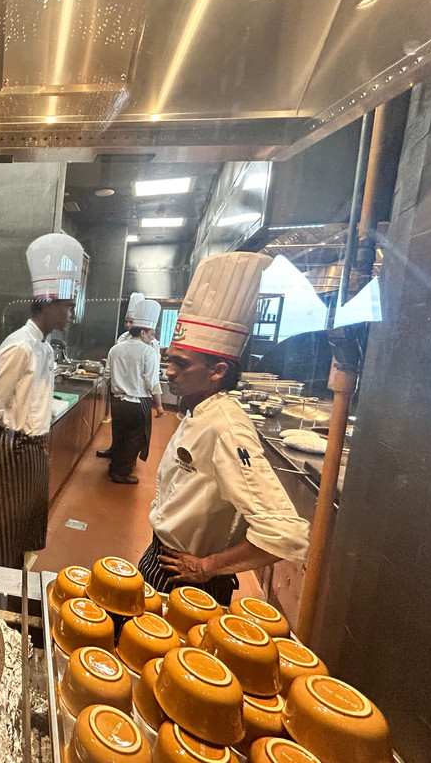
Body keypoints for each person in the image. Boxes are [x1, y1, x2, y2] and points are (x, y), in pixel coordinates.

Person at [137, 252, 310, 605]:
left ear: (217, 371)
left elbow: (285, 533)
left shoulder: (227, 427)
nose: (169, 371)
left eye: (181, 364)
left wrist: (208, 566)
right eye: (169, 360)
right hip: (160, 559)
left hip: (187, 583)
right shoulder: (197, 412)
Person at [0, 232, 84, 568]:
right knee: (4, 530)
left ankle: (12, 581)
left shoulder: (44, 346)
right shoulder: (20, 345)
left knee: (24, 528)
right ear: (47, 304)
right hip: (13, 448)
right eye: (67, 306)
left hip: (35, 447)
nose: (71, 314)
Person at [102, 298, 166, 484]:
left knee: (119, 435)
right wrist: (159, 405)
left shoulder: (115, 349)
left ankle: (114, 467)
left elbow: (107, 376)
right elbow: (152, 382)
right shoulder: (148, 352)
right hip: (138, 403)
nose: (153, 338)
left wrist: (116, 391)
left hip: (117, 401)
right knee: (135, 438)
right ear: (143, 332)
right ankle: (121, 473)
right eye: (152, 334)